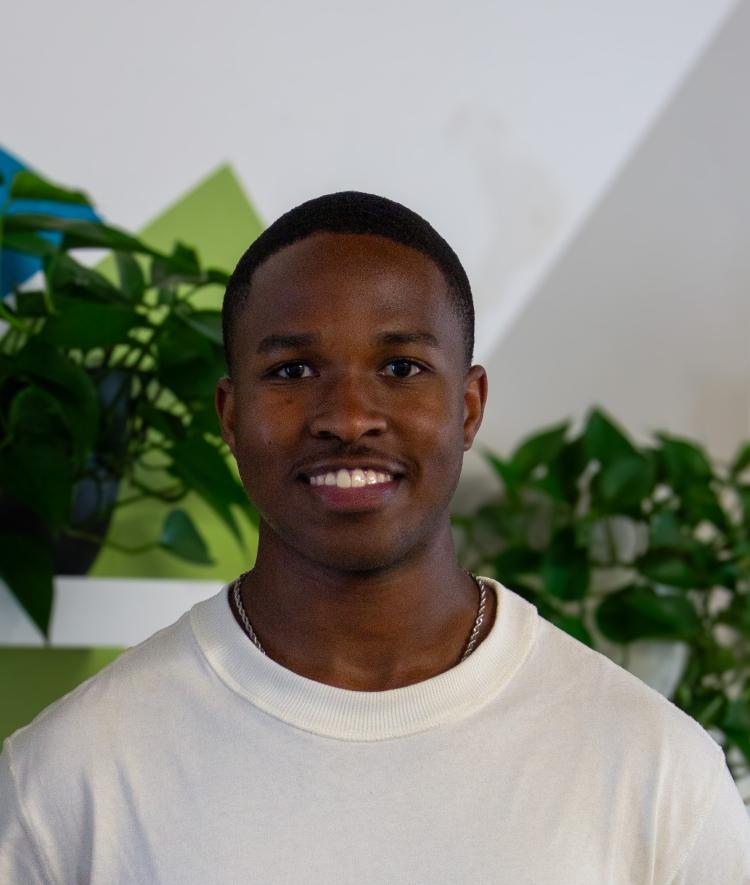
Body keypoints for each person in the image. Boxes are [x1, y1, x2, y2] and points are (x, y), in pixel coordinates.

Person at [1, 191, 748, 883]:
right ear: (229, 416)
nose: (348, 416)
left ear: (468, 404)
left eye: (401, 366)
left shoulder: (654, 771)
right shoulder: (69, 779)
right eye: (292, 368)